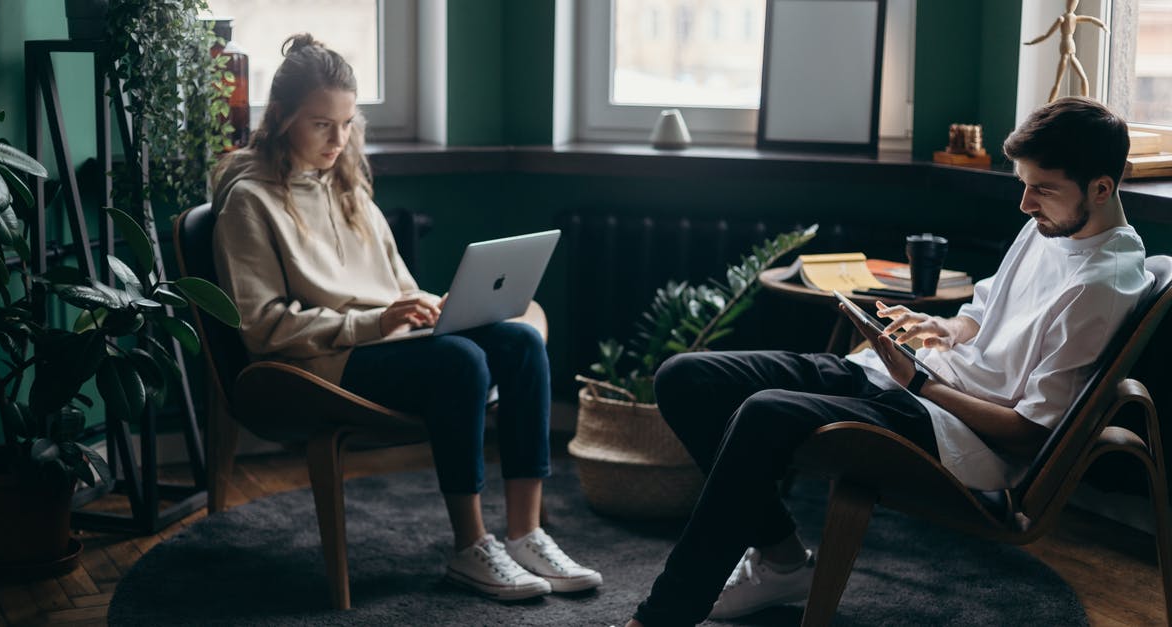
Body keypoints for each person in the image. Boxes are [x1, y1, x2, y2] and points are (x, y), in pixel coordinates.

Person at [624, 96, 1150, 626]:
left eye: (1042, 189)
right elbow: (985, 309)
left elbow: (1027, 435)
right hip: (911, 380)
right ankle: (783, 561)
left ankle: (663, 616)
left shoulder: (1098, 288)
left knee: (765, 412)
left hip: (952, 430)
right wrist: (943, 328)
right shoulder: (1051, 225)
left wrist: (920, 383)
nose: (1025, 204)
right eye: (1024, 185)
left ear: (1102, 188)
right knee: (687, 377)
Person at [210, 33, 601, 602]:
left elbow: (396, 287)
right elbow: (264, 327)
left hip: (383, 343)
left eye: (347, 124)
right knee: (459, 360)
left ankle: (527, 533)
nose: (338, 140)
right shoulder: (249, 203)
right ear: (283, 117)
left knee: (520, 342)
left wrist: (433, 307)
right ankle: (471, 548)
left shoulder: (349, 188)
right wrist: (375, 323)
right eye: (322, 124)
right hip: (322, 364)